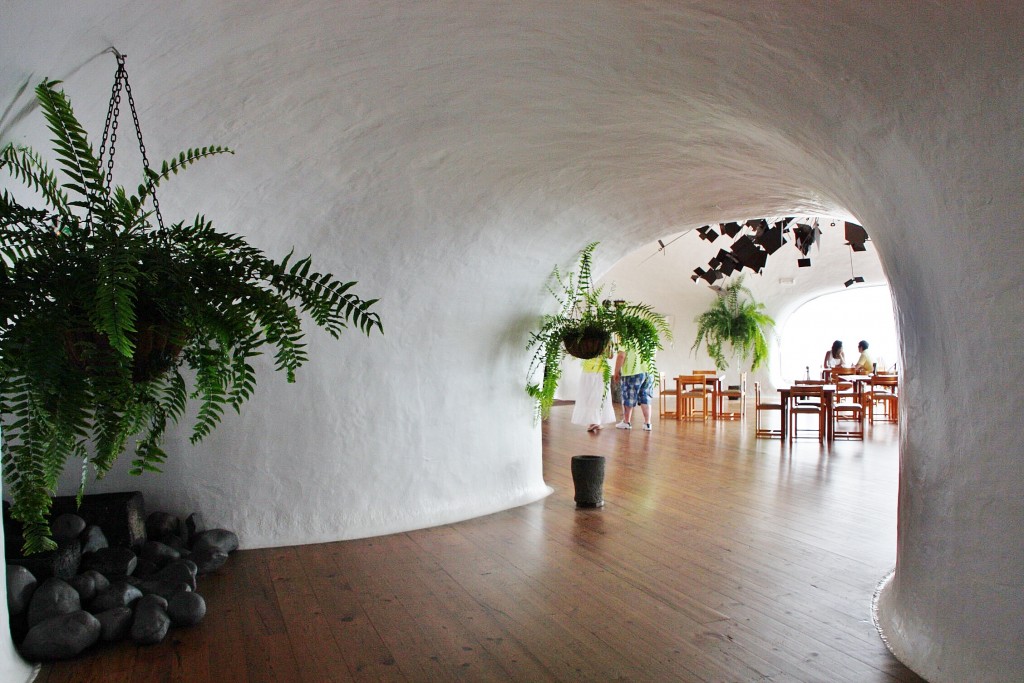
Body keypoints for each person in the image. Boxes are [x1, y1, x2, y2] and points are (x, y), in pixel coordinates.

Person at [571, 345, 616, 432]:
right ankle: (595, 422)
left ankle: (594, 422)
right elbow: (610, 356)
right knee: (599, 396)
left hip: (588, 371)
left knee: (588, 396)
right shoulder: (605, 339)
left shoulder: (586, 337)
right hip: (601, 372)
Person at [614, 344, 654, 431]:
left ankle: (626, 422)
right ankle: (647, 424)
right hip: (648, 372)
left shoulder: (627, 337)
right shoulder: (648, 336)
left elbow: (621, 356)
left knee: (628, 397)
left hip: (631, 373)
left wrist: (616, 372)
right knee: (646, 397)